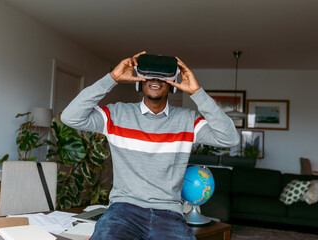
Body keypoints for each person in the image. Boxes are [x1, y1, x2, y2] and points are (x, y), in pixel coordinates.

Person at [61, 51, 240, 239]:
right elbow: (70, 116)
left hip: (169, 214)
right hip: (123, 211)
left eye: (163, 76)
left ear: (172, 83)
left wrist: (197, 92)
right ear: (141, 80)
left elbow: (229, 138)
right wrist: (112, 78)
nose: (155, 79)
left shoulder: (187, 120)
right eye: (149, 74)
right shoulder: (116, 114)